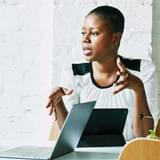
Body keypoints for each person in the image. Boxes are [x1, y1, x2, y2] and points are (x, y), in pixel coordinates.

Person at [46, 5, 158, 140]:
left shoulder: (142, 71)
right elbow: (71, 139)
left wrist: (138, 88)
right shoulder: (74, 73)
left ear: (115, 38)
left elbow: (145, 137)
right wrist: (59, 103)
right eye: (83, 33)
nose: (85, 39)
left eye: (94, 33)